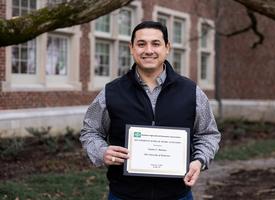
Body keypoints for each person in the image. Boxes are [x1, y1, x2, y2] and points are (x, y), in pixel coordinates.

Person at [80, 20, 221, 200]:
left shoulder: (191, 92)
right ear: (131, 48)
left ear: (167, 47)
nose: (148, 50)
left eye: (156, 44)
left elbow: (208, 133)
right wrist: (101, 151)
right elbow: (90, 131)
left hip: (177, 195)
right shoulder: (112, 92)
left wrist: (199, 160)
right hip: (124, 195)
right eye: (141, 44)